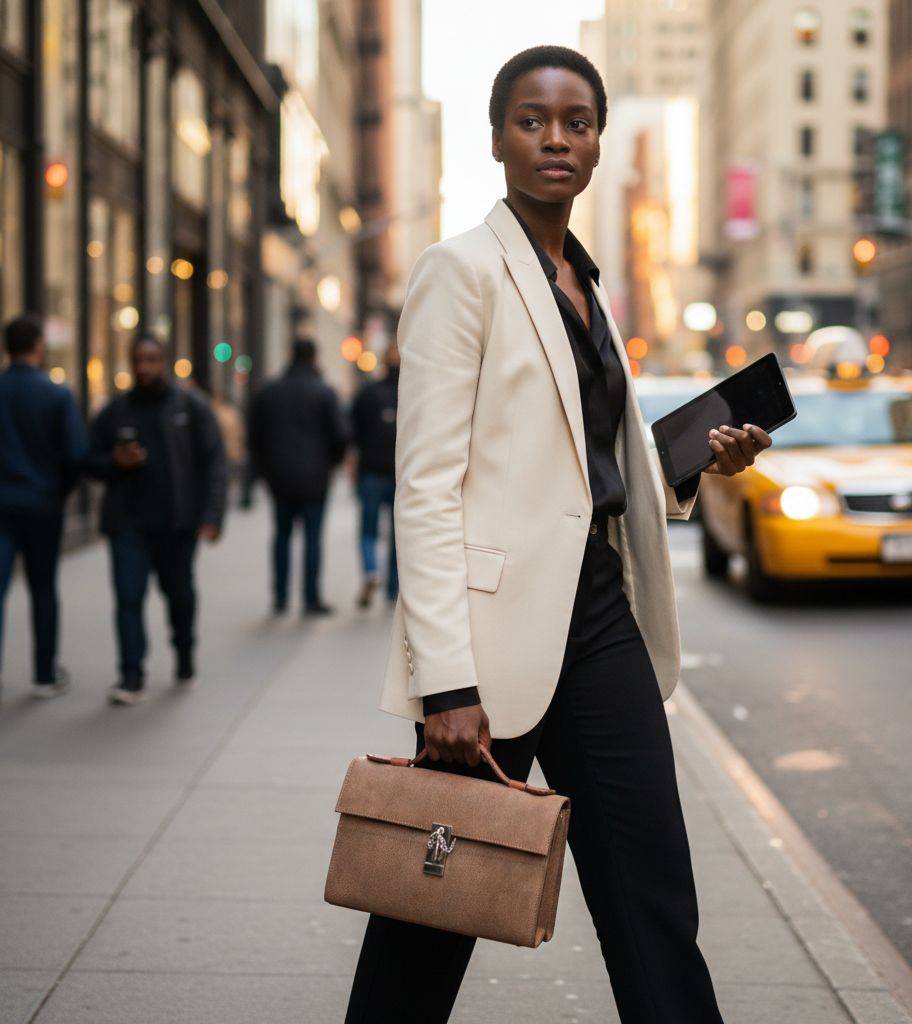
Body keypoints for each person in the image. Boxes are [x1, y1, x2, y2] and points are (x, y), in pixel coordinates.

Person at [345, 47, 774, 1024]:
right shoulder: (461, 271)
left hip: (600, 617)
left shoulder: (584, 284)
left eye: (576, 122)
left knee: (653, 891)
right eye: (533, 120)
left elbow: (584, 468)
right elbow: (427, 486)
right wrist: (443, 683)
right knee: (431, 908)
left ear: (596, 142)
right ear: (496, 138)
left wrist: (695, 460)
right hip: (488, 647)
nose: (555, 139)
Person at [85, 334, 226, 705]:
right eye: (138, 361)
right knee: (128, 597)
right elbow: (88, 461)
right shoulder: (116, 411)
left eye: (151, 360)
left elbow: (214, 462)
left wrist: (211, 515)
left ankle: (184, 654)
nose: (145, 368)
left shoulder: (190, 406)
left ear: (164, 361)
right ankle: (131, 675)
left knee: (178, 595)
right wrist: (115, 462)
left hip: (176, 524)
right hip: (128, 523)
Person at [0, 315, 87, 698]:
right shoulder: (56, 394)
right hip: (41, 504)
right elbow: (75, 456)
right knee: (43, 588)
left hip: (1, 505)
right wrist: (59, 491)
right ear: (38, 346)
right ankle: (44, 674)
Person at [248, 337, 348, 616]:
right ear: (314, 358)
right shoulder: (324, 392)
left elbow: (255, 436)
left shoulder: (269, 391)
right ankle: (310, 598)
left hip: (279, 477)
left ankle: (280, 596)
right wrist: (331, 463)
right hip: (315, 478)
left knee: (281, 535)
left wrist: (263, 470)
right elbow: (340, 436)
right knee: (313, 538)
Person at [351, 339, 400, 608]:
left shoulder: (369, 393)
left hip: (370, 471)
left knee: (368, 531)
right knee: (398, 534)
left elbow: (353, 431)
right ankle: (393, 588)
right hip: (400, 474)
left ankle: (371, 570)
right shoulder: (413, 391)